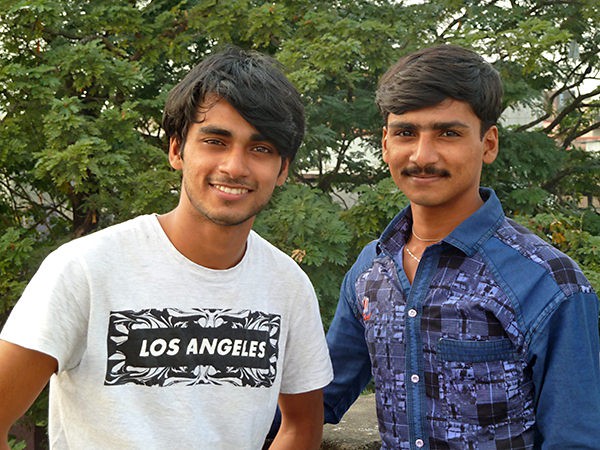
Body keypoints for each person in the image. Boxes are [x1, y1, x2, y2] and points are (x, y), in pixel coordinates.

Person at [0, 46, 333, 450]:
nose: (234, 166)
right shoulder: (84, 270)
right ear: (177, 150)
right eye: (215, 141)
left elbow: (301, 426)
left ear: (283, 169)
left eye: (260, 149)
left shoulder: (288, 286)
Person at [323, 44, 600, 449]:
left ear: (488, 144)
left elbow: (575, 438)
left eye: (448, 133)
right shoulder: (372, 269)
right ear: (385, 143)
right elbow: (318, 396)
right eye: (405, 133)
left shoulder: (546, 281)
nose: (422, 155)